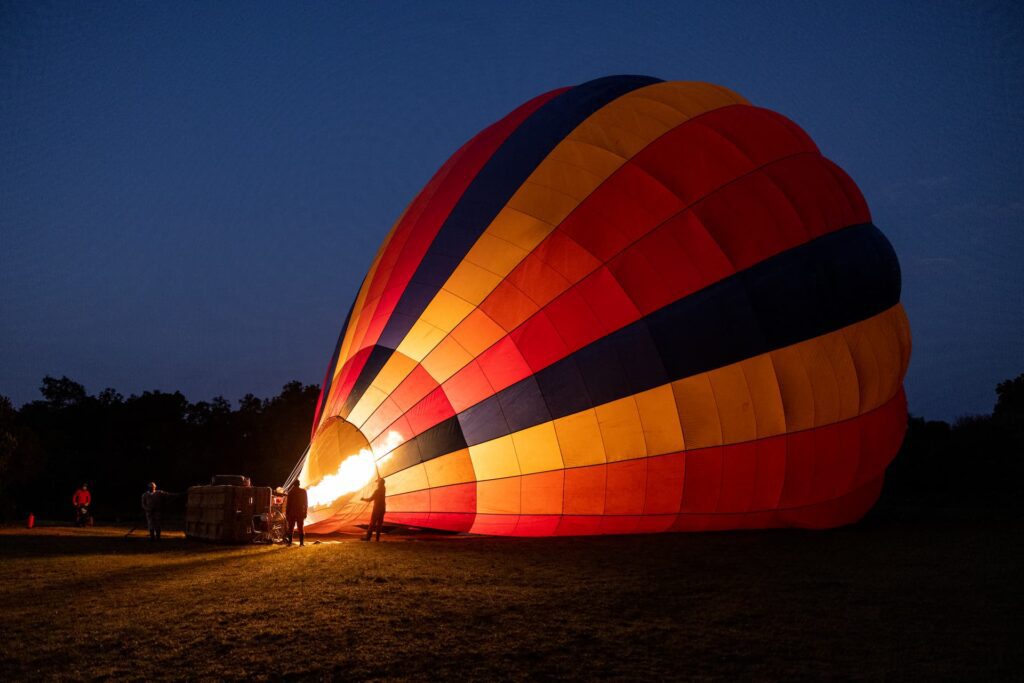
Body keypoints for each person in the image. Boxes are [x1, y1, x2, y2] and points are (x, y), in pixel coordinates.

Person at [361, 477, 386, 542]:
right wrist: (380, 479)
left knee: (372, 523)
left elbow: (370, 499)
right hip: (382, 509)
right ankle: (377, 539)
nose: (377, 484)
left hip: (377, 509)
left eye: (378, 483)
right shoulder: (384, 489)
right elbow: (382, 482)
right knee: (379, 524)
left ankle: (368, 538)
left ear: (379, 484)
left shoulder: (377, 491)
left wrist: (363, 499)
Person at [285, 479, 308, 546]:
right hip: (300, 512)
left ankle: (290, 543)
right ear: (299, 484)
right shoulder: (303, 491)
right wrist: (305, 512)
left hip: (292, 512)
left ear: (293, 484)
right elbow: (305, 503)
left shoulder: (291, 492)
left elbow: (288, 504)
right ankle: (301, 543)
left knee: (291, 528)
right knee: (300, 527)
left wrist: (287, 513)